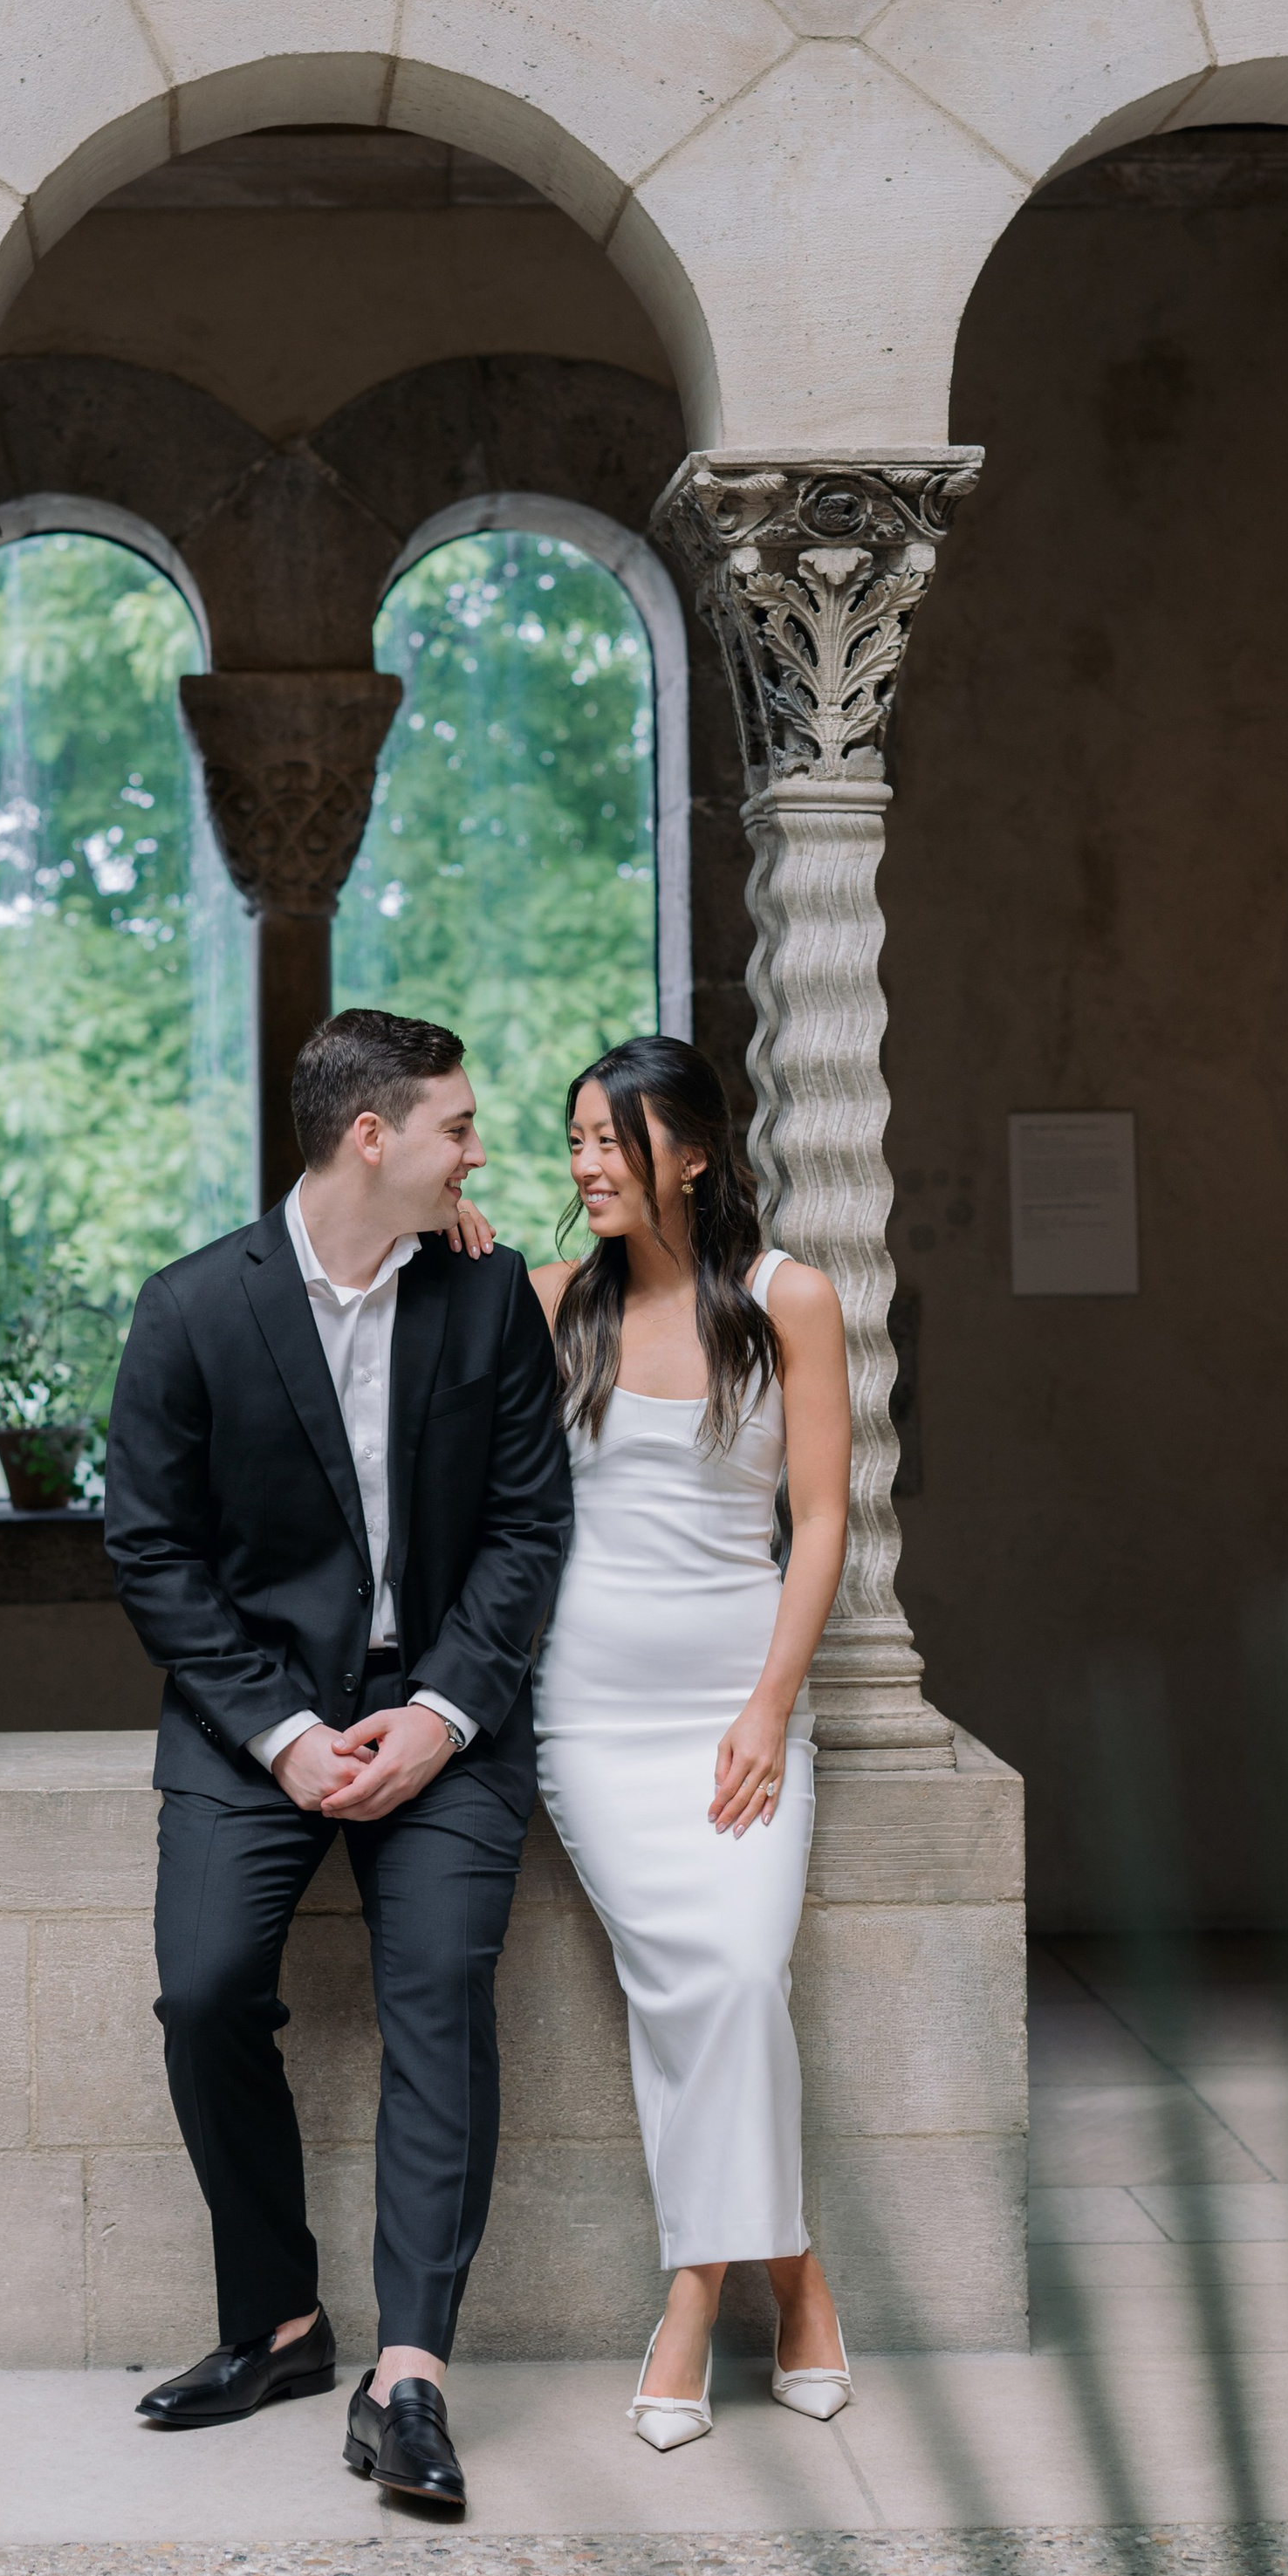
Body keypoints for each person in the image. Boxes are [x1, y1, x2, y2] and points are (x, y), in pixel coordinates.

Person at [104, 1008, 573, 2515]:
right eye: (458, 1125)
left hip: (447, 1707)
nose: (478, 1151)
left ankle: (412, 2375)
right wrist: (292, 1737)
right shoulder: (190, 1309)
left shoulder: (489, 1294)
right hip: (257, 1720)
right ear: (371, 1137)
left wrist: (440, 1712)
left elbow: (523, 1530)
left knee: (438, 1989)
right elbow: (152, 1554)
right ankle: (284, 2323)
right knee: (206, 1987)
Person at [528, 1035, 855, 2451]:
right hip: (590, 1717)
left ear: (697, 1150)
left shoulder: (793, 1300)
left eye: (617, 1138)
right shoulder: (546, 1302)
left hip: (737, 1711)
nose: (591, 1164)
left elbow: (824, 1521)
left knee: (732, 1973)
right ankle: (798, 2279)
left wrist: (771, 1706)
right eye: (579, 1140)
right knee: (702, 1989)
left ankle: (692, 2296)